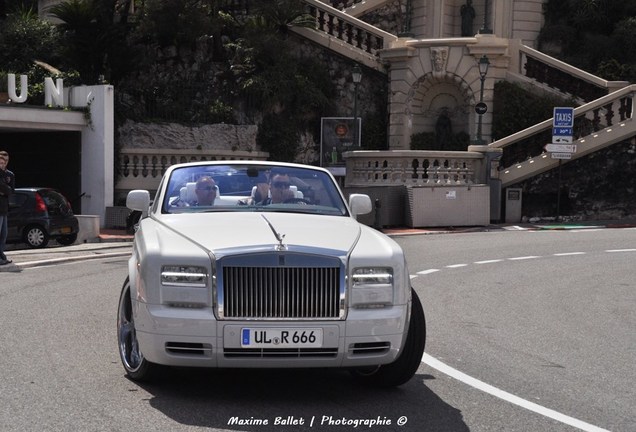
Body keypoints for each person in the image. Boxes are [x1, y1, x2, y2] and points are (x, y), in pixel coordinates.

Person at [0, 151, 16, 265]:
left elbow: (11, 191)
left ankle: (1, 255)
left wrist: (4, 190)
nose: (3, 163)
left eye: (4, 161)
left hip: (4, 208)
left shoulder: (9, 174)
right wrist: (6, 189)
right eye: (1, 162)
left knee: (4, 234)